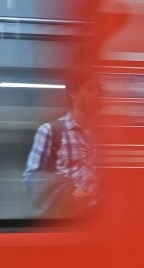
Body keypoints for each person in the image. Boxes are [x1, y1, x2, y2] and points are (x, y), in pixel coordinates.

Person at [23, 75, 96, 218]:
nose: (97, 94)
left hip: (104, 219)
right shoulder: (51, 131)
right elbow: (30, 178)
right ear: (73, 93)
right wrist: (69, 191)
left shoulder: (111, 135)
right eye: (90, 88)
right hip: (68, 217)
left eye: (101, 89)